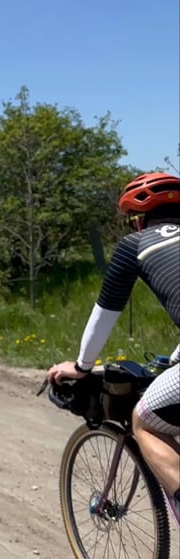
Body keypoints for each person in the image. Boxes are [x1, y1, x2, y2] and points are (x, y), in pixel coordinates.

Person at [46, 172, 180, 512]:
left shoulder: (136, 244)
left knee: (144, 421)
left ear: (138, 220)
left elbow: (105, 314)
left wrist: (82, 366)